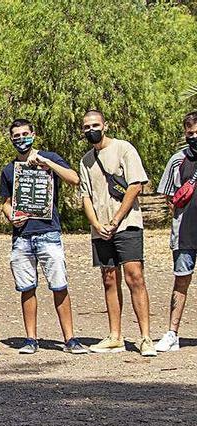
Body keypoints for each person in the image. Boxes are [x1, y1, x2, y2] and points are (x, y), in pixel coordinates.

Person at [0, 119, 88, 354]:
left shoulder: (49, 158)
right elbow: (6, 203)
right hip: (22, 236)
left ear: (33, 134)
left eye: (25, 134)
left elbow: (74, 178)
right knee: (27, 287)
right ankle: (31, 339)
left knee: (59, 285)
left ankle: (70, 339)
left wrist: (47, 163)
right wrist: (11, 216)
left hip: (48, 232)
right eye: (16, 136)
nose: (21, 139)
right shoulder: (9, 170)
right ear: (11, 139)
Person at [78, 110, 155, 356]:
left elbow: (136, 186)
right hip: (100, 230)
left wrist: (115, 220)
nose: (92, 130)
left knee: (135, 278)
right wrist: (97, 224)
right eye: (87, 126)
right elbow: (86, 197)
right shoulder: (86, 160)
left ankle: (145, 337)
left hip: (127, 224)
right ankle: (115, 336)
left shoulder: (124, 149)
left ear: (105, 125)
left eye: (95, 125)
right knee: (109, 279)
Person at [155, 111, 197, 352]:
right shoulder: (177, 160)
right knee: (181, 281)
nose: (194, 136)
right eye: (190, 133)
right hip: (184, 232)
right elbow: (169, 196)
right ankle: (172, 333)